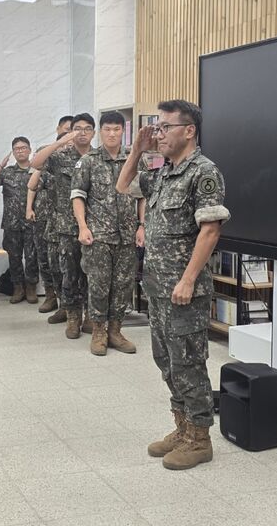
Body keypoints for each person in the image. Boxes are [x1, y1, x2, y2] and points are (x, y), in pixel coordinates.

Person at [116, 99, 230, 471]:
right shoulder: (163, 172)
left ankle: (199, 439)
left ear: (189, 130)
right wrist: (137, 149)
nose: (159, 133)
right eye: (157, 127)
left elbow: (210, 231)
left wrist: (188, 279)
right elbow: (123, 185)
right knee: (165, 360)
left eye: (166, 127)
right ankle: (182, 428)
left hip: (185, 290)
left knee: (188, 363)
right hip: (158, 287)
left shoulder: (203, 172)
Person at [71, 111, 142, 356]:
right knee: (99, 285)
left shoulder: (133, 159)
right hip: (98, 235)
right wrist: (82, 226)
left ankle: (116, 331)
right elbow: (78, 196)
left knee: (123, 285)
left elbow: (141, 196)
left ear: (124, 131)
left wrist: (142, 225)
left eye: (117, 129)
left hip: (127, 236)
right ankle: (99, 331)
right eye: (108, 129)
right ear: (100, 132)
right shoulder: (88, 161)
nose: (112, 134)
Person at [32, 114, 95, 339]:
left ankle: (90, 316)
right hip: (67, 227)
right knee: (69, 274)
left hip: (94, 226)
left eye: (87, 128)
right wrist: (60, 142)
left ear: (94, 132)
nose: (82, 133)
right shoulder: (61, 157)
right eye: (77, 128)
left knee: (92, 274)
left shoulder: (97, 158)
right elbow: (36, 163)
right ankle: (72, 317)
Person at [27, 116, 73, 313]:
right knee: (48, 260)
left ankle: (71, 308)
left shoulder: (82, 160)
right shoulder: (49, 155)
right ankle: (52, 297)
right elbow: (32, 185)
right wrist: (29, 208)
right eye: (67, 131)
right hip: (48, 218)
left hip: (72, 221)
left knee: (70, 267)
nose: (70, 136)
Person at [0, 136, 38, 304]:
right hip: (11, 222)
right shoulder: (7, 172)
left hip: (32, 222)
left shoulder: (36, 170)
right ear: (13, 152)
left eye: (23, 148)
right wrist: (1, 165)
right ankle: (18, 287)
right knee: (14, 257)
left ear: (29, 150)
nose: (20, 151)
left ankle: (31, 287)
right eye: (17, 149)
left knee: (32, 257)